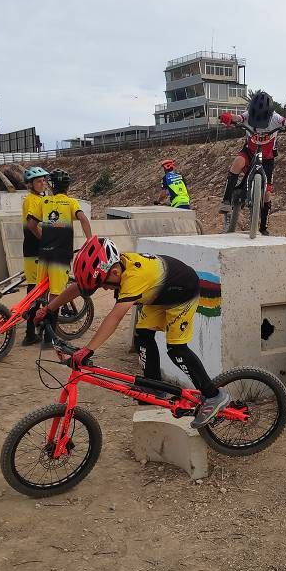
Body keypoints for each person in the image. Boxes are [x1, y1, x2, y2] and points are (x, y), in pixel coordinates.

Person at [33, 237, 229, 429]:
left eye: (104, 283)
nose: (104, 287)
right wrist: (49, 309)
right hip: (160, 293)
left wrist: (88, 349)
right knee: (143, 335)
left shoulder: (133, 278)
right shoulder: (115, 268)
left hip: (183, 292)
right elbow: (79, 287)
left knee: (176, 349)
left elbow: (115, 317)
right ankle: (154, 387)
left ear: (116, 272)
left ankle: (213, 395)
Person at [217, 91, 286, 236]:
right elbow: (238, 118)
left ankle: (263, 226)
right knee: (237, 163)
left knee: (267, 194)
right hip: (250, 152)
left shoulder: (275, 117)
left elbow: (285, 122)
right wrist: (228, 117)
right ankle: (226, 200)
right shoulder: (247, 115)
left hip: (268, 158)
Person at [37, 169, 93, 328]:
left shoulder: (44, 202)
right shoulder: (71, 202)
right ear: (67, 187)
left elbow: (33, 224)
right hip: (60, 254)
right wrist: (89, 241)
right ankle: (49, 334)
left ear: (51, 186)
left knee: (40, 292)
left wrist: (45, 237)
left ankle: (35, 326)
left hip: (44, 252)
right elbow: (83, 218)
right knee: (56, 295)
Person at [19, 166, 51, 346]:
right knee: (35, 291)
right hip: (34, 249)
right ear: (31, 184)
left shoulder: (38, 198)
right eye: (38, 181)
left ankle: (33, 329)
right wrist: (44, 240)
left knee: (36, 290)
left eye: (44, 180)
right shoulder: (33, 200)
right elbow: (32, 225)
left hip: (33, 249)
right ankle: (30, 333)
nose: (42, 183)